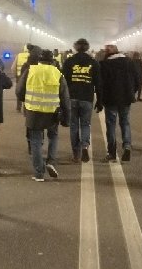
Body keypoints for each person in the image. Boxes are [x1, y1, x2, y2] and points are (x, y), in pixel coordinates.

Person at [18, 49, 71, 181]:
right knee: (53, 136)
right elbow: (65, 97)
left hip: (33, 111)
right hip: (52, 112)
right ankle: (51, 162)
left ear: (39, 60)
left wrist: (25, 101)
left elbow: (19, 91)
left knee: (35, 141)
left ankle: (39, 173)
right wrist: (67, 116)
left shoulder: (30, 70)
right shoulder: (57, 73)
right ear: (52, 60)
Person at [62, 38, 101, 163]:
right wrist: (100, 100)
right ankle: (85, 146)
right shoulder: (93, 62)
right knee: (85, 125)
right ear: (87, 48)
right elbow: (98, 83)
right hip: (87, 98)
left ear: (75, 47)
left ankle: (76, 155)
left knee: (73, 126)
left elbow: (63, 82)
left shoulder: (69, 62)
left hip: (72, 98)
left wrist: (62, 100)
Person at [99, 44, 138, 162]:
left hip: (110, 99)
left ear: (107, 53)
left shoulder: (105, 64)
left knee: (111, 125)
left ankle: (111, 152)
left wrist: (100, 99)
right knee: (125, 122)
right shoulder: (129, 62)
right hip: (126, 98)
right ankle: (127, 146)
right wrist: (132, 91)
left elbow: (101, 84)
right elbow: (137, 79)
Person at [13, 44, 31, 112]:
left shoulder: (19, 55)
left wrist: (16, 75)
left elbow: (13, 68)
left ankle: (18, 107)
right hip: (29, 77)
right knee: (27, 92)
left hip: (19, 77)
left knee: (19, 91)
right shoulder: (31, 56)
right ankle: (25, 108)